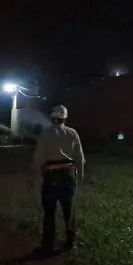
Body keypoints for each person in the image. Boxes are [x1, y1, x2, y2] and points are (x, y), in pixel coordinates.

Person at [29, 104, 85, 255]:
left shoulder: (46, 134)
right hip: (68, 175)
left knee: (49, 212)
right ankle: (70, 241)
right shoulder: (72, 133)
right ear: (65, 118)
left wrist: (35, 177)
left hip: (51, 176)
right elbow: (79, 157)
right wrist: (79, 175)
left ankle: (48, 243)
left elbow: (38, 158)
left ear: (52, 117)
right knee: (69, 211)